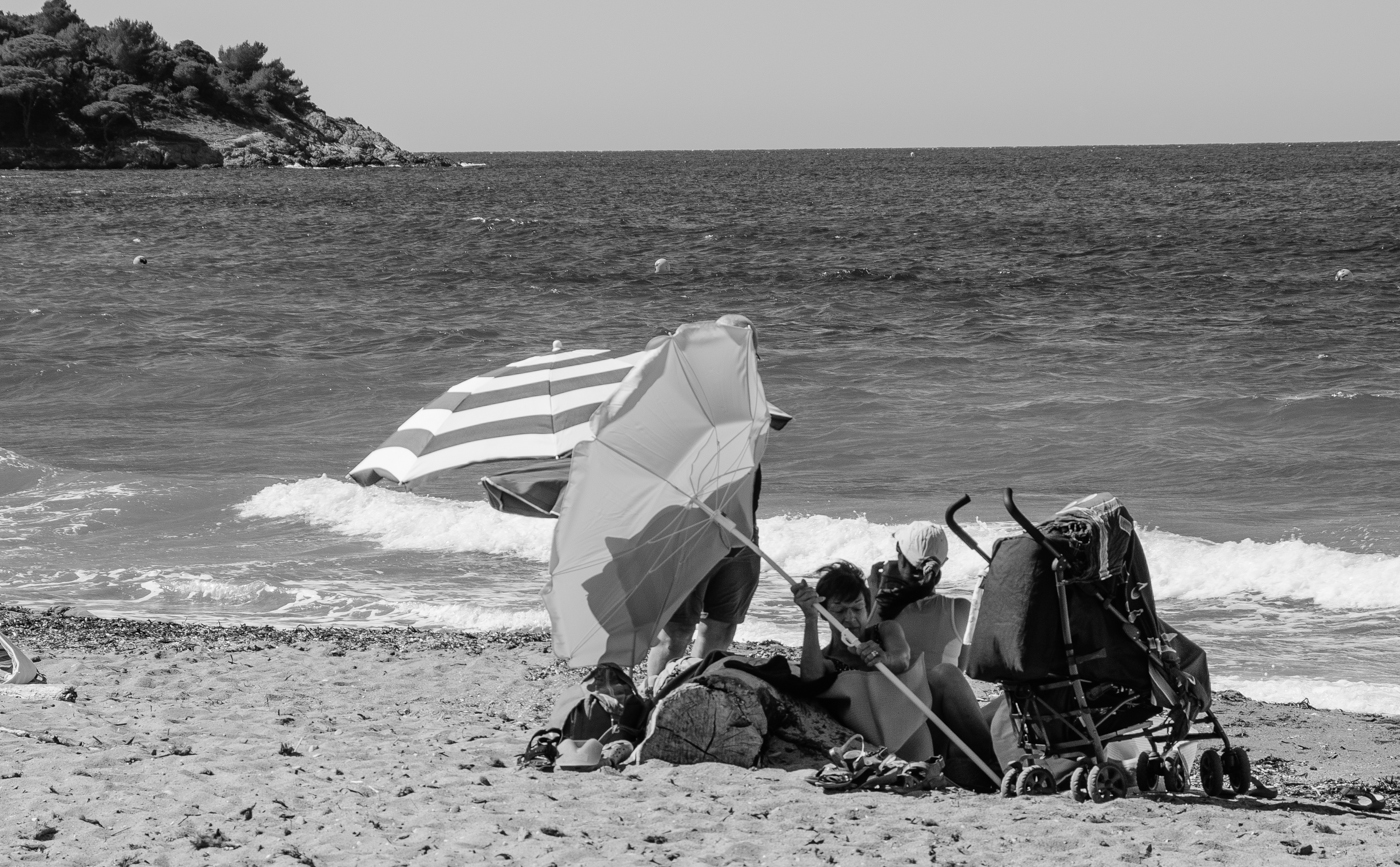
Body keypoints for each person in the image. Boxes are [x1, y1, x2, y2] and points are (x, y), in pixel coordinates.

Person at [791, 560, 1000, 791]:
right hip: (890, 744)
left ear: (867, 607)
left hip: (922, 727)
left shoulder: (884, 630)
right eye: (839, 611)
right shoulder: (828, 660)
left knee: (945, 674)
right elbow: (810, 678)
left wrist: (881, 659)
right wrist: (809, 618)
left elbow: (901, 658)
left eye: (858, 608)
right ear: (824, 614)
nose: (850, 618)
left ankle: (993, 761)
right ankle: (978, 765)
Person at [645, 314, 764, 687]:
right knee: (675, 633)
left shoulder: (752, 401)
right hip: (690, 534)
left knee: (721, 629)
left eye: (751, 351)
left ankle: (692, 696)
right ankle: (654, 698)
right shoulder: (686, 396)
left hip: (742, 534)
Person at [868, 522, 970, 669]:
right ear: (943, 562)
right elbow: (961, 669)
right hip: (941, 692)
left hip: (893, 691)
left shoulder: (884, 605)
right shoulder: (961, 609)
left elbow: (866, 658)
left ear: (900, 557)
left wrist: (874, 594)